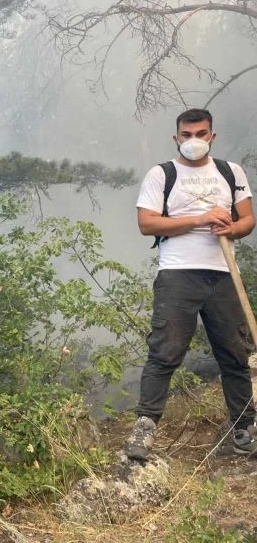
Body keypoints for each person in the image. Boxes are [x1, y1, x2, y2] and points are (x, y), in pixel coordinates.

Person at [126, 108, 257, 461]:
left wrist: (232, 228)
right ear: (176, 138)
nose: (193, 141)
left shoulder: (231, 173)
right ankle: (145, 428)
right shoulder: (162, 174)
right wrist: (200, 219)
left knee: (235, 356)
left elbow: (247, 220)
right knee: (164, 353)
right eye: (187, 135)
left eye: (201, 134)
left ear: (212, 136)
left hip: (223, 275)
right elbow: (147, 223)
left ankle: (244, 430)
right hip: (178, 274)